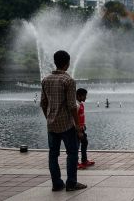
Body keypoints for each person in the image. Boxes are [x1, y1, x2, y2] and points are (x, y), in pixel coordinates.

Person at [40, 50, 87, 191]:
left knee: (53, 155)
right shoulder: (69, 81)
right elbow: (72, 106)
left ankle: (57, 183)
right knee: (72, 153)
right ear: (67, 63)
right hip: (67, 124)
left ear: (55, 62)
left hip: (51, 125)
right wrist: (78, 126)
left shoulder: (45, 80)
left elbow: (43, 103)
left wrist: (49, 118)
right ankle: (71, 183)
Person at [76, 88, 95, 170]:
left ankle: (84, 161)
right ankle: (75, 163)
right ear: (79, 96)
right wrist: (79, 131)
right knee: (75, 146)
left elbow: (81, 116)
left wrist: (84, 125)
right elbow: (74, 118)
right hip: (77, 130)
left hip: (81, 128)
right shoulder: (76, 105)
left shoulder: (80, 103)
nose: (85, 98)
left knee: (84, 142)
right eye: (84, 96)